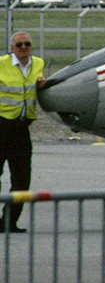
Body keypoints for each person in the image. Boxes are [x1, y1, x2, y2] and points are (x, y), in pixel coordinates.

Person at [0, 31, 44, 232]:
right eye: (19, 45)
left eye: (27, 44)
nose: (24, 47)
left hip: (22, 127)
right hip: (2, 126)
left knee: (22, 178)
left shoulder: (38, 64)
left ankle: (9, 221)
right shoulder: (2, 64)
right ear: (12, 47)